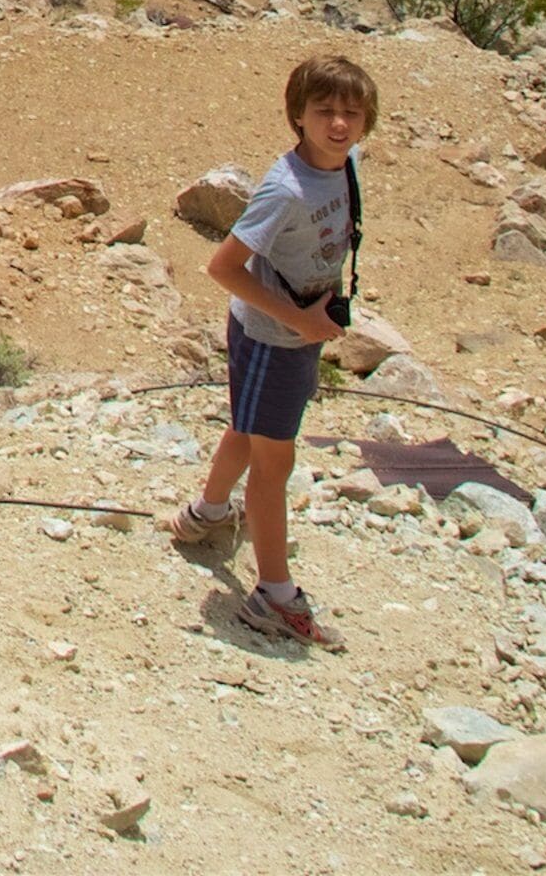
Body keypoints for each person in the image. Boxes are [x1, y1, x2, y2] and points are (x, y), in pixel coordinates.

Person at [166, 52, 374, 647]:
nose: (338, 124)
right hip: (271, 336)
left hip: (296, 331)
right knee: (273, 463)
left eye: (351, 113)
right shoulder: (285, 188)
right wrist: (298, 321)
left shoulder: (345, 165)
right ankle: (273, 593)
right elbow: (223, 267)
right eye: (325, 111)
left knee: (249, 427)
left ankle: (206, 515)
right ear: (298, 116)